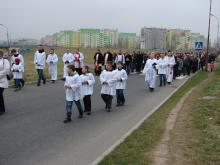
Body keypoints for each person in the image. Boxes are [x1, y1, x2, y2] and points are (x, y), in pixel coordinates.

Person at [0, 50, 10, 115]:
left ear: (1, 54)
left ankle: (1, 110)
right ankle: (2, 109)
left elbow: (6, 70)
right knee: (0, 95)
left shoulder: (5, 61)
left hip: (3, 81)